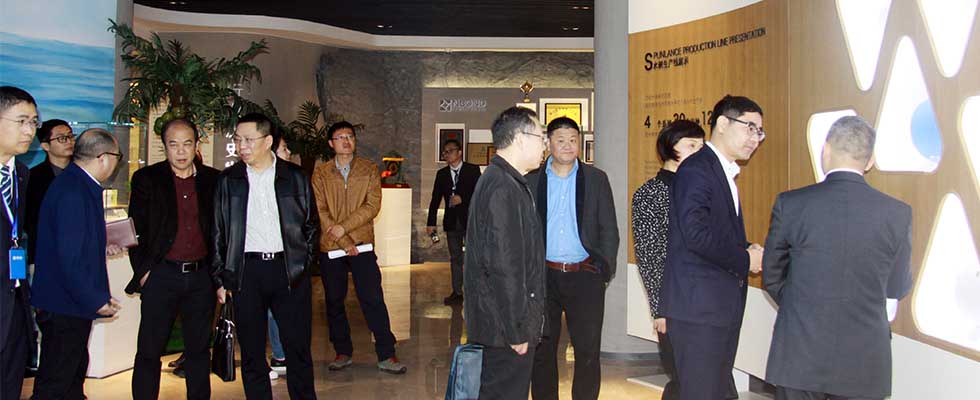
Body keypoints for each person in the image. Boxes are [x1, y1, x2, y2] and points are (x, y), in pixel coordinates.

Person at [762, 116, 912, 400]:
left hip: (800, 352)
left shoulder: (791, 203)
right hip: (865, 358)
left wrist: (800, 304)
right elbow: (897, 286)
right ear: (870, 160)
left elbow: (772, 275)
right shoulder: (897, 213)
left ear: (826, 150)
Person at [660, 95, 766, 400]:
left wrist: (747, 248)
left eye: (760, 132)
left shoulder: (720, 170)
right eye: (749, 127)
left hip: (716, 308)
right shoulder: (697, 169)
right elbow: (695, 234)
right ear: (722, 123)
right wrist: (745, 259)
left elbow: (714, 231)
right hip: (699, 310)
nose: (755, 138)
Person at [212, 112, 319, 399]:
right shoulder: (229, 180)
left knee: (298, 349)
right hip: (247, 273)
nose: (241, 146)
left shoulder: (294, 177)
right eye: (238, 140)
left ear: (268, 141)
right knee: (251, 352)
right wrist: (221, 277)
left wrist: (303, 265)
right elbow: (218, 232)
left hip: (288, 270)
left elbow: (311, 226)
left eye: (248, 139)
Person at [127, 119, 220, 399]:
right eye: (173, 144)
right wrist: (144, 272)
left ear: (197, 145)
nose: (181, 151)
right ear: (164, 146)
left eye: (187, 144)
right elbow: (135, 229)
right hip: (161, 275)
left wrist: (219, 277)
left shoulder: (214, 180)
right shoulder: (147, 179)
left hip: (201, 277)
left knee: (199, 351)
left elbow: (222, 231)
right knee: (149, 350)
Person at [528, 117, 619, 400]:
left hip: (585, 275)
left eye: (573, 140)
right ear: (548, 144)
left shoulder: (596, 179)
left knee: (588, 351)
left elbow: (609, 229)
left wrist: (603, 270)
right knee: (542, 349)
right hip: (544, 277)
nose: (568, 146)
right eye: (561, 140)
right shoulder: (532, 180)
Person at [31, 128, 124, 400]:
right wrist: (95, 299)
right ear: (103, 157)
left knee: (72, 377)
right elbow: (68, 258)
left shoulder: (77, 184)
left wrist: (102, 245)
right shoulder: (73, 191)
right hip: (64, 304)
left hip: (69, 303)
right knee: (56, 383)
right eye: (117, 157)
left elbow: (73, 242)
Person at [464, 106, 548, 399]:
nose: (545, 145)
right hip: (504, 327)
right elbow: (505, 266)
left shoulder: (504, 180)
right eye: (541, 137)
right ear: (521, 139)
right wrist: (516, 330)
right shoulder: (503, 187)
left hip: (500, 323)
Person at [312, 121, 406, 374]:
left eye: (350, 136)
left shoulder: (369, 169)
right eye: (340, 137)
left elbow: (372, 206)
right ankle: (342, 351)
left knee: (372, 298)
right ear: (331, 143)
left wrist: (345, 231)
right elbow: (320, 210)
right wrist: (344, 241)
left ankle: (386, 353)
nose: (346, 141)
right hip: (332, 245)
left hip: (361, 245)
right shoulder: (321, 173)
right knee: (334, 300)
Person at [631, 120, 705, 400]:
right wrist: (659, 309)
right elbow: (649, 255)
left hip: (706, 298)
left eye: (702, 146)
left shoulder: (703, 189)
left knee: (703, 377)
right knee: (682, 376)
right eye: (691, 145)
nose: (699, 152)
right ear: (670, 148)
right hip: (674, 301)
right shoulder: (649, 194)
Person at [0, 86, 38, 400]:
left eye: (34, 122)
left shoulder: (21, 174)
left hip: (13, 304)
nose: (30, 131)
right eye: (21, 121)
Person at [425, 138, 481, 305]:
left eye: (450, 151)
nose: (447, 154)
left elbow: (480, 194)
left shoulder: (472, 170)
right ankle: (457, 292)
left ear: (459, 152)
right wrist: (431, 223)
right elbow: (435, 199)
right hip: (451, 223)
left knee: (472, 257)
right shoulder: (442, 174)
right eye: (445, 152)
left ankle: (474, 291)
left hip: (470, 221)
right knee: (455, 258)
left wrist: (463, 199)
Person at [26, 119, 74, 264]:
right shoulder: (32, 177)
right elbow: (29, 221)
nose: (69, 141)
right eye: (61, 138)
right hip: (44, 253)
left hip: (80, 253)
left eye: (71, 136)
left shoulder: (84, 173)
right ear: (45, 146)